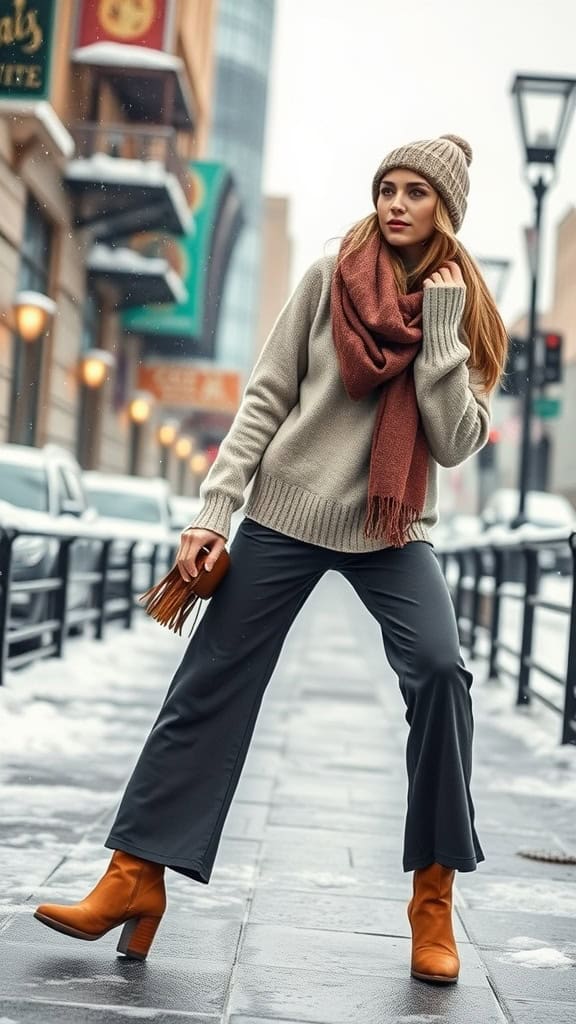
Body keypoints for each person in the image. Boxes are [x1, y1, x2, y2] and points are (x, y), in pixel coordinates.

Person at [34, 134, 507, 984]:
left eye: (416, 193)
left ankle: (431, 901)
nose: (395, 203)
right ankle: (133, 876)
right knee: (208, 680)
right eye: (386, 187)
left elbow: (456, 439)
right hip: (286, 512)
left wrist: (440, 336)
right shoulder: (329, 279)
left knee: (441, 671)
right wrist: (215, 509)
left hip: (392, 526)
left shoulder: (463, 308)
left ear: (446, 211)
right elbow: (267, 395)